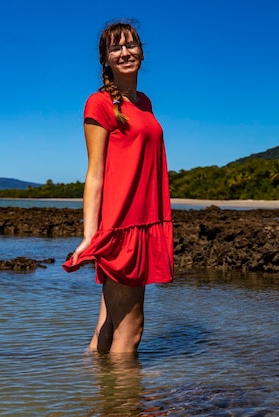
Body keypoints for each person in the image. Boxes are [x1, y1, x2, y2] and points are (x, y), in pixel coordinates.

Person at [62, 21, 173, 354]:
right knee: (132, 330)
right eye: (116, 48)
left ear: (141, 51)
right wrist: (89, 235)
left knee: (108, 326)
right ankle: (126, 401)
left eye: (131, 45)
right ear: (105, 60)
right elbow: (95, 174)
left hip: (143, 223)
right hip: (122, 227)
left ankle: (96, 394)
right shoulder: (99, 104)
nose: (125, 52)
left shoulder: (144, 103)